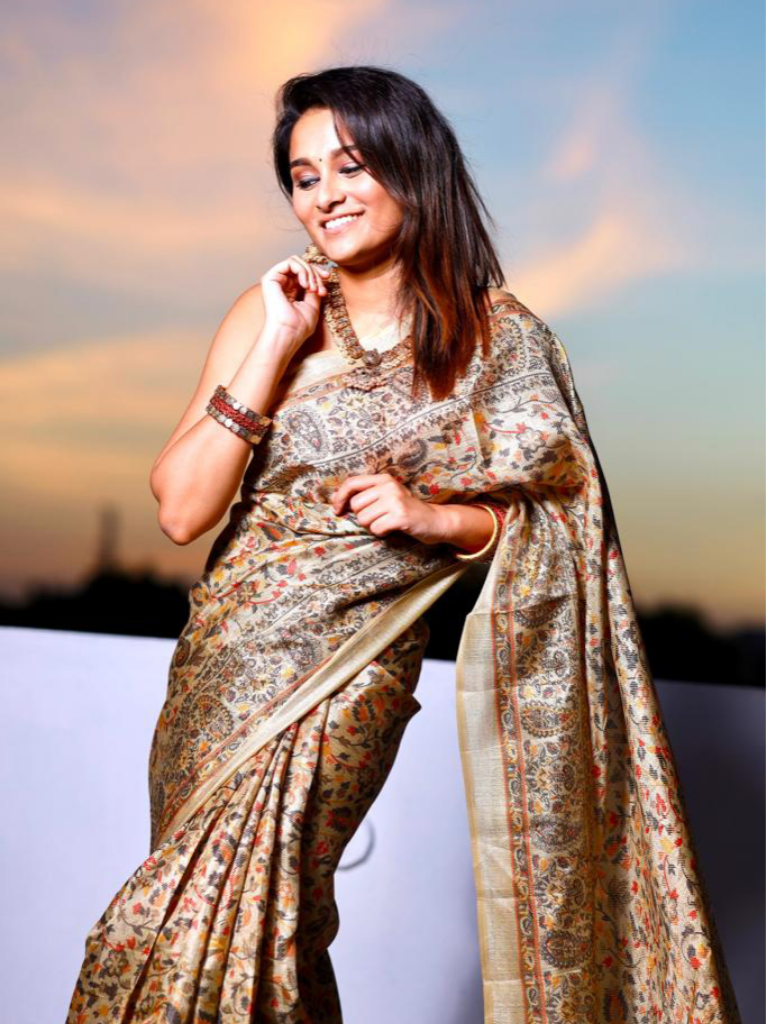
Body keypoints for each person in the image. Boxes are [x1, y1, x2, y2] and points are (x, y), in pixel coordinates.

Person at [66, 65, 741, 1024]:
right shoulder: (269, 310)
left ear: (412, 168)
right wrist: (277, 343)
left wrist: (435, 519)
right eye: (303, 177)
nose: (325, 195)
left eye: (350, 167)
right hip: (223, 664)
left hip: (352, 673)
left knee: (213, 920)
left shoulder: (498, 340)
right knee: (259, 933)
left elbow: (566, 516)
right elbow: (182, 507)